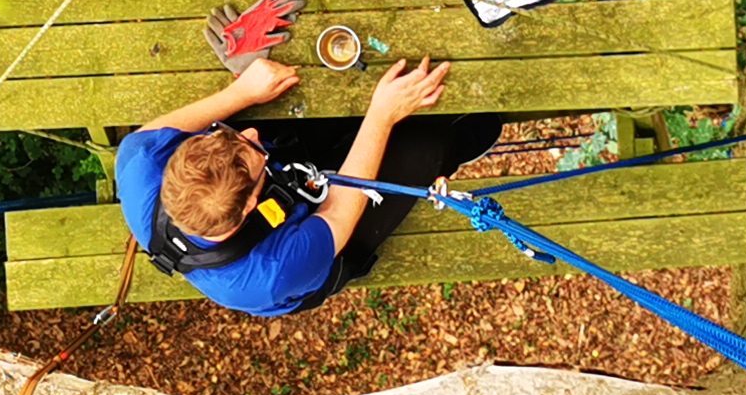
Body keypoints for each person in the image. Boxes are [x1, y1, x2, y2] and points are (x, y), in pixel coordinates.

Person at [114, 54, 505, 316]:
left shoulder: (140, 163)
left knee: (311, 109)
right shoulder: (269, 274)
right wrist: (382, 116)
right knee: (424, 149)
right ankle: (459, 143)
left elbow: (181, 127)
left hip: (274, 197)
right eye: (254, 151)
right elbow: (339, 210)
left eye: (228, 134)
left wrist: (243, 92)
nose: (249, 131)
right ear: (251, 206)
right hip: (322, 253)